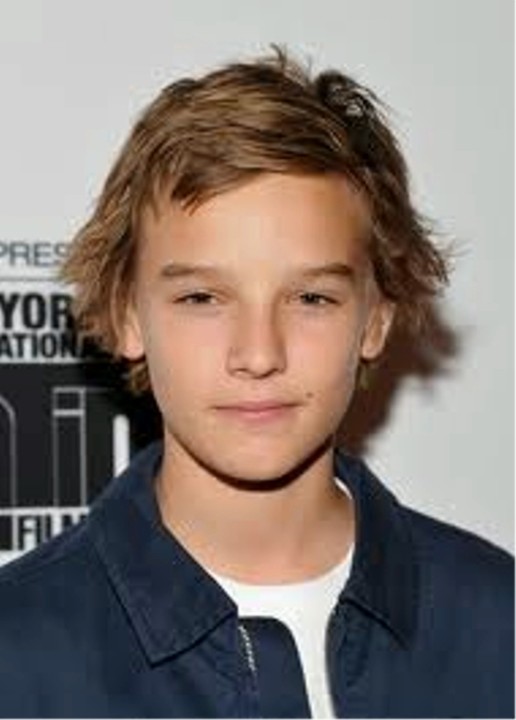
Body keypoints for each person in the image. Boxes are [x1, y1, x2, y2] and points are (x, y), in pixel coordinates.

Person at [0, 47, 512, 719]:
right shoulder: (18, 651)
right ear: (126, 316)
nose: (259, 354)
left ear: (375, 320)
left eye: (311, 299)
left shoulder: (497, 619)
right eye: (202, 298)